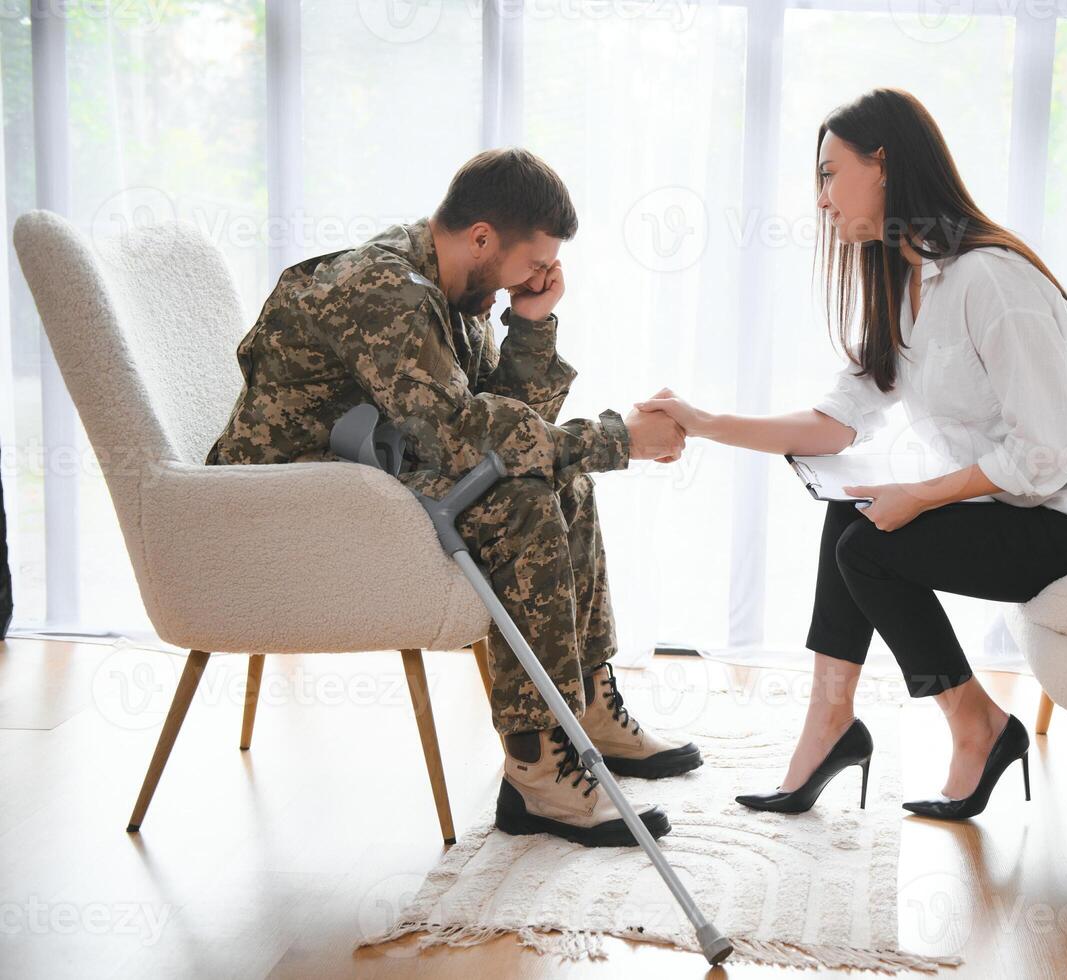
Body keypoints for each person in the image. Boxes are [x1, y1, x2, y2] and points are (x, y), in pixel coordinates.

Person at [634, 88, 1067, 821]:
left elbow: (1049, 451)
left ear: (882, 164)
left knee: (869, 548)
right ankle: (829, 725)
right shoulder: (907, 281)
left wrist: (921, 494)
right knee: (849, 515)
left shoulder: (991, 279)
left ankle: (975, 726)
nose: (820, 197)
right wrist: (702, 422)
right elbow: (833, 424)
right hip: (1042, 508)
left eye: (830, 173)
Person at [207, 148, 701, 847]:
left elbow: (500, 419)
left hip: (365, 479)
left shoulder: (455, 291)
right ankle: (538, 778)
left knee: (564, 480)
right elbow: (471, 437)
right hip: (292, 510)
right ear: (480, 239)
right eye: (533, 265)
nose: (541, 277)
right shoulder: (382, 292)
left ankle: (581, 713)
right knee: (524, 503)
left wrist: (530, 322)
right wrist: (620, 440)